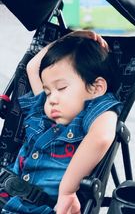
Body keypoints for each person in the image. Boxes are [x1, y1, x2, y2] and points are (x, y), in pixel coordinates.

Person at [0, 30, 122, 214]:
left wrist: (67, 190)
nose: (51, 99)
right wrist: (70, 38)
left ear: (96, 88)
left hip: (38, 208)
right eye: (48, 91)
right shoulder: (43, 110)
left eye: (62, 88)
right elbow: (33, 66)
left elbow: (102, 137)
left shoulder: (95, 112)